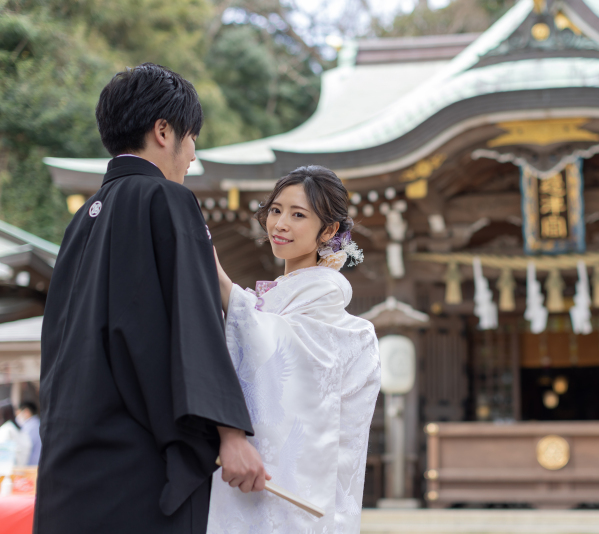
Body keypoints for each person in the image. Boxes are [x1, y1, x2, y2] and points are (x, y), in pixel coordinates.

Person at [36, 63, 268, 534]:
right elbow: (193, 320)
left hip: (69, 464)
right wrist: (230, 433)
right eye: (192, 137)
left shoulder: (81, 222)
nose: (193, 154)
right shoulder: (165, 199)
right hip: (137, 468)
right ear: (163, 131)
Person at [207, 166, 381, 534]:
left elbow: (270, 342)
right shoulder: (274, 302)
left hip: (297, 498)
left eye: (298, 214)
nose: (280, 224)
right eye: (275, 210)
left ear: (329, 230)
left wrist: (220, 279)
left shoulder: (334, 317)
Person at [14, 401, 40, 465]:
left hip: (32, 466)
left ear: (26, 412)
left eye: (18, 414)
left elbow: (23, 449)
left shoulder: (30, 427)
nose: (17, 417)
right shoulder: (37, 424)